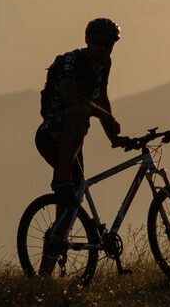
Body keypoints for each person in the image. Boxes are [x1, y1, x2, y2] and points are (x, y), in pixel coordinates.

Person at [36, 17, 131, 204]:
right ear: (87, 40)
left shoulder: (104, 64)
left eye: (109, 44)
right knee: (81, 110)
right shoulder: (72, 60)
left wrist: (114, 138)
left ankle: (59, 233)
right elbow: (69, 96)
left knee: (74, 194)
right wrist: (107, 117)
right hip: (51, 133)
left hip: (72, 141)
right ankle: (62, 177)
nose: (103, 48)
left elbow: (101, 98)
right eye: (98, 42)